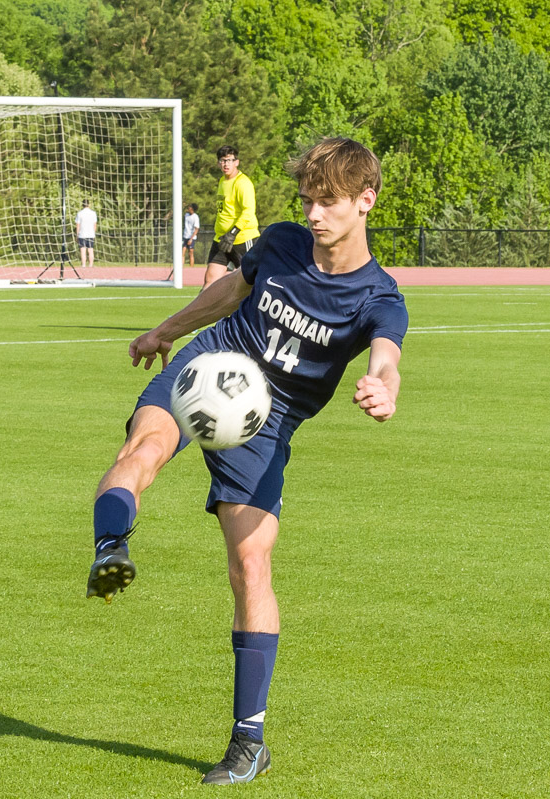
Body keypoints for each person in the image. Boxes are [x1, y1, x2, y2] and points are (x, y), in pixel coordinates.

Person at [85, 137, 407, 785]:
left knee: (250, 564)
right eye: (310, 200)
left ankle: (248, 739)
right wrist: (166, 332)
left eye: (330, 202)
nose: (315, 215)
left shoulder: (379, 296)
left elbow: (387, 352)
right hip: (208, 368)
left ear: (366, 201)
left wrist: (383, 387)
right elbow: (231, 291)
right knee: (142, 449)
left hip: (265, 425)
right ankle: (110, 546)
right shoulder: (284, 242)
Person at [203, 145, 259, 291]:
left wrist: (232, 233)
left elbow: (248, 211)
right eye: (222, 161)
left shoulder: (243, 183)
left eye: (229, 160)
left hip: (241, 239)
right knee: (210, 281)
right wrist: (224, 234)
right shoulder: (222, 181)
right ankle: (205, 314)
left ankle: (250, 313)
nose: (225, 164)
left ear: (236, 162)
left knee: (248, 284)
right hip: (221, 240)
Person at [75, 200, 97, 268]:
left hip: (82, 234)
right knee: (90, 250)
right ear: (89, 204)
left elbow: (78, 225)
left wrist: (77, 235)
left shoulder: (80, 213)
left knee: (83, 250)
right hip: (90, 234)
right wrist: (94, 233)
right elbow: (95, 225)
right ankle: (90, 265)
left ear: (82, 205)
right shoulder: (93, 213)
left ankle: (83, 265)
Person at [182, 203, 200, 269]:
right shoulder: (186, 215)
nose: (188, 208)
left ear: (192, 208)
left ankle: (191, 268)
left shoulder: (195, 217)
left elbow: (196, 229)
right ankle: (181, 267)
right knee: (182, 252)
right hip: (185, 236)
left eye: (189, 207)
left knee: (190, 253)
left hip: (191, 237)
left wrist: (191, 239)